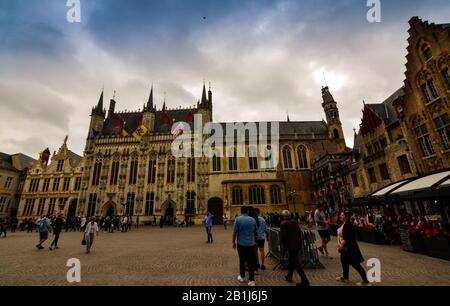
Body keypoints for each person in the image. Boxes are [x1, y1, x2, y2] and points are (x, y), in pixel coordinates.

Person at [336, 211, 369, 285]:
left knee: (355, 264)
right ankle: (345, 277)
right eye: (340, 215)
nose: (340, 216)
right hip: (345, 248)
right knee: (344, 263)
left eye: (342, 215)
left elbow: (348, 238)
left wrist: (341, 245)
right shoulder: (344, 224)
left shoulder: (348, 225)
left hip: (349, 248)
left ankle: (365, 280)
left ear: (346, 217)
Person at [280, 210, 310, 286]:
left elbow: (283, 236)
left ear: (283, 217)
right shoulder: (295, 222)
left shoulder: (283, 224)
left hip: (290, 246)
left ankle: (305, 280)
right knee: (291, 260)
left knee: (296, 263)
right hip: (296, 245)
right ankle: (289, 276)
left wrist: (283, 244)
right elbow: (299, 233)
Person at [233, 206, 258, 286]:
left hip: (241, 244)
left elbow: (234, 232)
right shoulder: (253, 219)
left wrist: (233, 242)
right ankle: (251, 280)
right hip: (251, 244)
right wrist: (255, 242)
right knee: (251, 262)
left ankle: (242, 276)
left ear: (241, 211)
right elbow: (256, 232)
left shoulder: (238, 219)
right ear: (247, 211)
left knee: (242, 260)